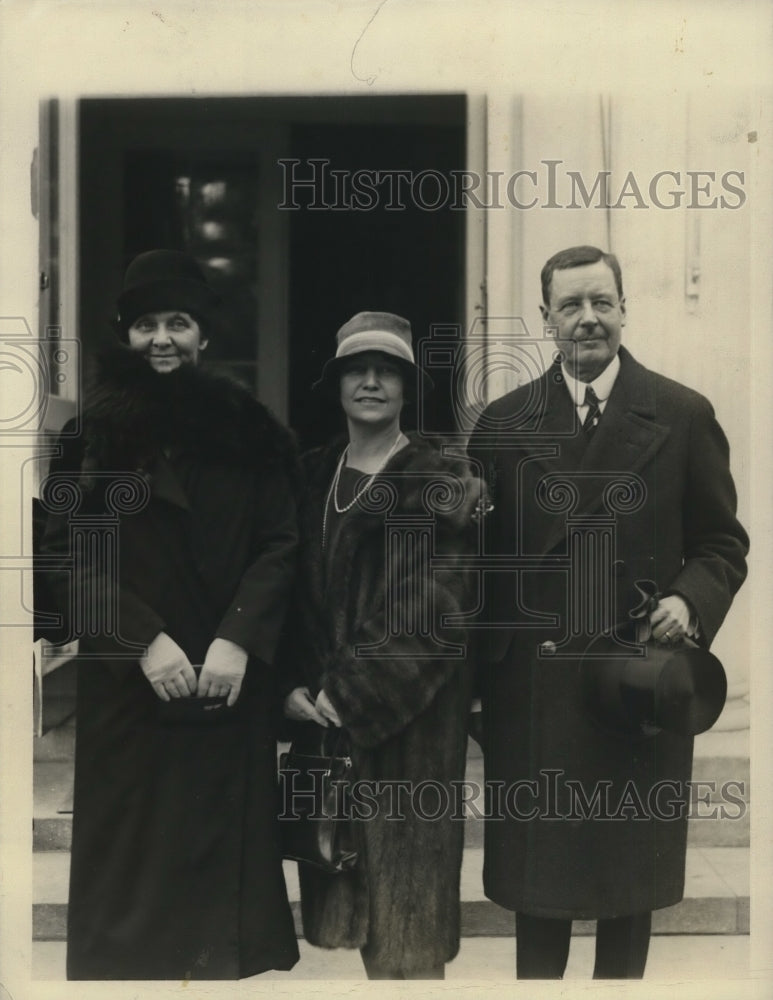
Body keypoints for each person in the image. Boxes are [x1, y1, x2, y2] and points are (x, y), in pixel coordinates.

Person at [467, 245, 749, 979]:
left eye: (601, 302)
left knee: (628, 888)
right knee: (539, 891)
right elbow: (473, 565)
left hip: (639, 683)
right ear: (545, 321)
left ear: (624, 308)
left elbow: (720, 542)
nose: (587, 319)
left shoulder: (681, 414)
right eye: (570, 306)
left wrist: (688, 599)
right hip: (534, 691)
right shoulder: (501, 423)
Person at [40, 249, 300, 979]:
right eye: (146, 323)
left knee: (217, 924)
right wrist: (143, 639)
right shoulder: (89, 439)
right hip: (131, 702)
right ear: (125, 336)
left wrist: (239, 639)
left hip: (224, 692)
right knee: (133, 918)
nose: (162, 338)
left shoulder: (251, 433)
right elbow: (63, 556)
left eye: (178, 322)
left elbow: (281, 545)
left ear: (204, 337)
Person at [280, 311, 482, 979]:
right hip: (328, 737)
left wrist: (350, 693)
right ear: (336, 385)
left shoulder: (440, 481)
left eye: (386, 371)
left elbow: (438, 609)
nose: (370, 382)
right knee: (349, 909)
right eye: (356, 370)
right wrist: (294, 686)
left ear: (405, 387)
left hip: (411, 736)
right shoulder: (309, 480)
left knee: (407, 944)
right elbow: (288, 597)